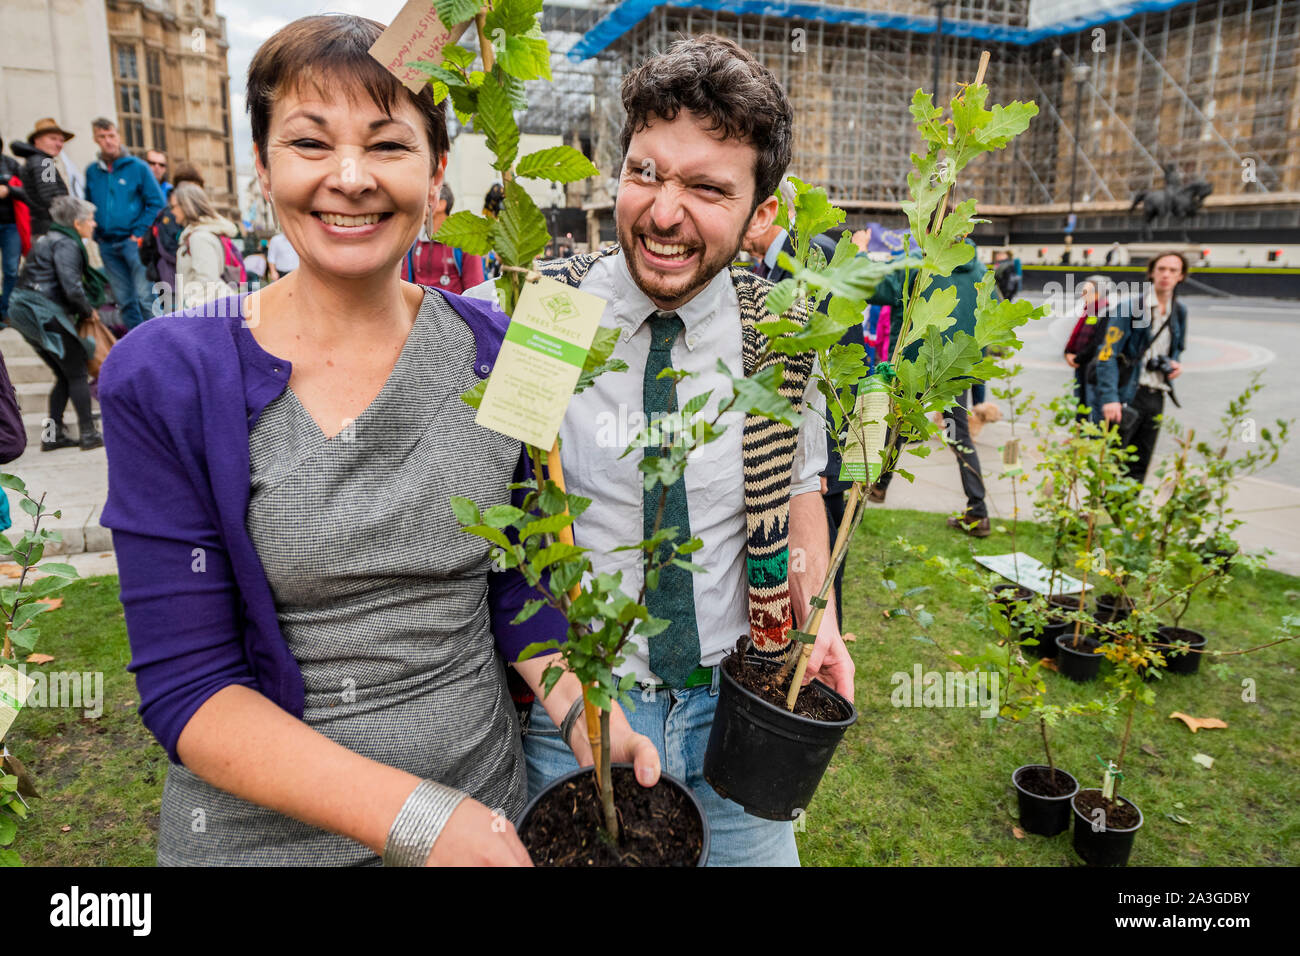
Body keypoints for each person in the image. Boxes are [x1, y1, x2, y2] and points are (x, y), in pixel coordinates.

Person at [98, 13, 657, 867]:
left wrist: (585, 712)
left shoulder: (510, 348)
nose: (350, 178)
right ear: (263, 167)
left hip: (488, 815)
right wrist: (420, 820)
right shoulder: (165, 377)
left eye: (389, 145)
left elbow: (519, 580)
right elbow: (191, 689)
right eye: (311, 143)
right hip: (262, 842)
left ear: (437, 176)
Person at [469, 34, 855, 868]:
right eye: (646, 172)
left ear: (763, 215)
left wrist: (817, 613)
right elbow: (511, 536)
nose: (664, 211)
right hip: (576, 711)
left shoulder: (782, 333)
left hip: (740, 710)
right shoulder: (544, 320)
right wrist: (575, 711)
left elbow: (798, 489)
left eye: (708, 187)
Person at [866, 237, 991, 536]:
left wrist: (859, 253)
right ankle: (979, 510)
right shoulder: (980, 273)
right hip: (953, 370)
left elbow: (871, 287)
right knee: (958, 436)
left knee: (892, 427)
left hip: (915, 366)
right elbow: (988, 323)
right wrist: (975, 377)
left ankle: (878, 486)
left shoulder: (919, 265)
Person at [6, 196, 105, 451]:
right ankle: (88, 434)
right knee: (77, 371)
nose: (93, 224)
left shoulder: (46, 240)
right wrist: (87, 311)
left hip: (24, 311)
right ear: (76, 222)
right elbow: (71, 287)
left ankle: (53, 437)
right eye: (90, 220)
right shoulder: (66, 244)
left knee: (64, 374)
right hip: (43, 310)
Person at [1094, 251, 1188, 483]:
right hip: (1128, 394)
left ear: (1181, 276)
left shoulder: (1179, 311)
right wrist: (1109, 397)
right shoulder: (1131, 306)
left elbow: (1176, 348)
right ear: (1152, 273)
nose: (1166, 275)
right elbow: (1107, 352)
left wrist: (1174, 364)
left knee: (1140, 464)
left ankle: (1125, 516)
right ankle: (1105, 516)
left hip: (1156, 395)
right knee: (1114, 464)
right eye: (1161, 269)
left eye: (1173, 270)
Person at [84, 118, 165, 331]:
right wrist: (96, 234)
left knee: (146, 297)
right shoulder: (92, 171)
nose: (108, 141)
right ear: (95, 139)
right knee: (125, 301)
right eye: (102, 137)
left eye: (111, 135)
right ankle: (140, 349)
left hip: (134, 243)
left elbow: (157, 203)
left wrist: (138, 232)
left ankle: (163, 343)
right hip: (107, 244)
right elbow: (88, 205)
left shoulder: (138, 167)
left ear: (119, 136)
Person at [400, 183, 485, 291]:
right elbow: (404, 283)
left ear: (441, 205)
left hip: (452, 307)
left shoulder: (466, 242)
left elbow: (475, 290)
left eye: (425, 200)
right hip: (420, 307)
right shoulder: (415, 242)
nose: (418, 205)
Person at [172, 182, 242, 308]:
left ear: (186, 206)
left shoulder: (199, 238)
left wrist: (186, 312)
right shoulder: (198, 234)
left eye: (174, 207)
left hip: (201, 313)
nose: (172, 212)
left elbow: (207, 282)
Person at [13, 118, 75, 238]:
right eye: (52, 138)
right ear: (37, 140)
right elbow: (52, 198)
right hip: (50, 229)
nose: (58, 144)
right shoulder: (45, 162)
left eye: (61, 140)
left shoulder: (35, 160)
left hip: (42, 227)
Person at [1063, 274, 1112, 419]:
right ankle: (1080, 435)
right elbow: (1077, 335)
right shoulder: (1088, 310)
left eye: (1086, 292)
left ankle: (1089, 438)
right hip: (1081, 363)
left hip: (1091, 365)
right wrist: (1068, 352)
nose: (1082, 295)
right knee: (1080, 400)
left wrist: (1077, 358)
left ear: (1098, 293)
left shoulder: (1105, 312)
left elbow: (1097, 342)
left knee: (1091, 403)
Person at [0, 137, 33, 321]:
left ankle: (7, 312)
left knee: (11, 269)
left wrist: (9, 190)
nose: (58, 143)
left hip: (11, 225)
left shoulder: (11, 164)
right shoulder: (44, 161)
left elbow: (29, 193)